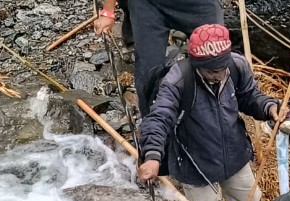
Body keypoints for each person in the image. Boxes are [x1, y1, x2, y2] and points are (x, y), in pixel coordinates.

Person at [136, 24, 279, 201]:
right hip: (193, 165)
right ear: (197, 64)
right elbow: (159, 117)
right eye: (212, 71)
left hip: (235, 156)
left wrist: (270, 108)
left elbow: (250, 97)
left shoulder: (236, 66)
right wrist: (152, 156)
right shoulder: (178, 79)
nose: (219, 75)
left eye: (222, 68)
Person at [94, 0, 224, 116]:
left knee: (215, 62)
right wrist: (108, 12)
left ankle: (217, 120)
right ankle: (152, 129)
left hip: (199, 4)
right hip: (148, 4)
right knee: (149, 76)